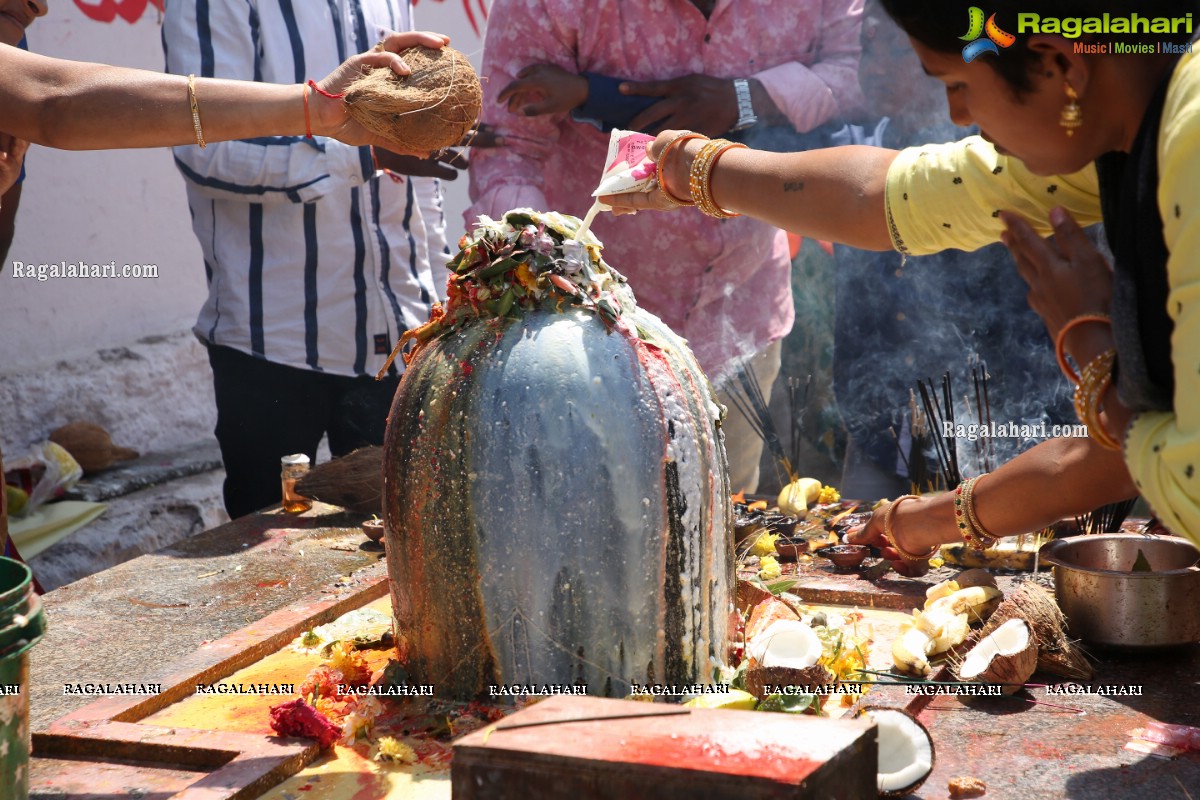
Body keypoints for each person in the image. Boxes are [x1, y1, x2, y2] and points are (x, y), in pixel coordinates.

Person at [604, 0, 1200, 569]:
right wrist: (695, 168)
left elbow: (1184, 472)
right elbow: (890, 195)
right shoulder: (1122, 117)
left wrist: (1093, 351)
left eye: (957, 84)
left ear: (1058, 63)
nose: (958, 116)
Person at [468, 0, 865, 494]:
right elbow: (508, 149)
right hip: (589, 331)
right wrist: (544, 272)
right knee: (592, 521)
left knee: (726, 523)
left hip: (743, 311)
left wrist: (744, 98)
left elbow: (855, 73)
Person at [163, 2, 459, 518]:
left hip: (400, 337)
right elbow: (204, 152)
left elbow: (418, 181)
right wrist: (364, 155)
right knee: (269, 565)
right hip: (273, 348)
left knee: (400, 553)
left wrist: (441, 300)